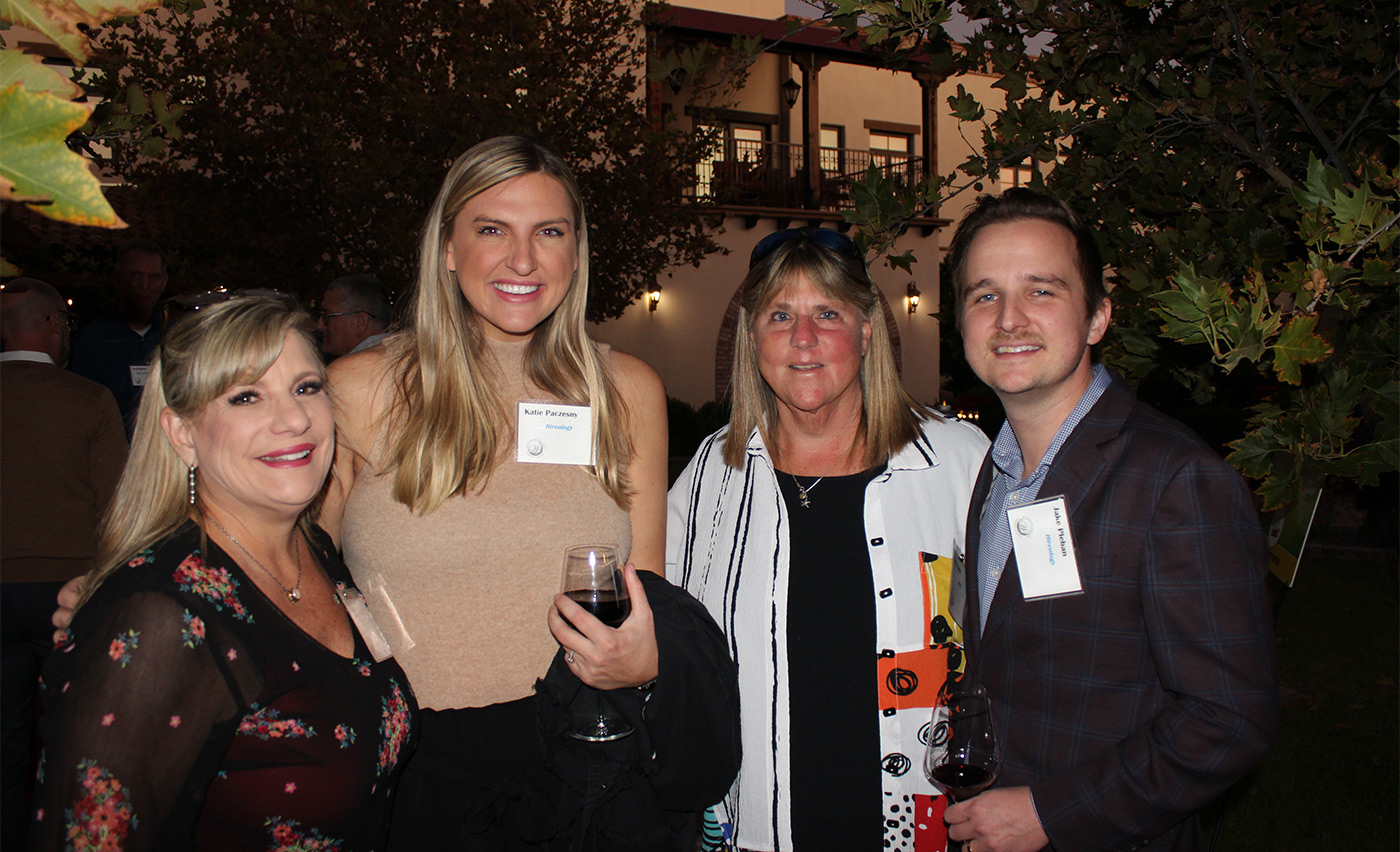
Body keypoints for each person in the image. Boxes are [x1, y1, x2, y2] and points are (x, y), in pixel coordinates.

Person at [323, 136, 695, 850]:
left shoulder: (625, 392)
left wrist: (647, 660)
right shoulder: (361, 391)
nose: (522, 260)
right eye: (492, 229)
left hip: (582, 770)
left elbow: (652, 595)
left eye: (548, 233)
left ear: (576, 254)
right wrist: (143, 591)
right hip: (413, 772)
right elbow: (279, 567)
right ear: (448, 248)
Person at [943, 189, 1277, 852]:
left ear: (1097, 316)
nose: (1009, 319)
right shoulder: (997, 470)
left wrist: (1050, 812)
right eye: (984, 295)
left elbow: (1229, 719)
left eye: (1041, 291)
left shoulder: (1176, 480)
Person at [31, 296, 418, 851]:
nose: (294, 419)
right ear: (183, 433)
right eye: (246, 396)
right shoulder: (161, 619)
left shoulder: (317, 553)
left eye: (307, 387)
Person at [666, 228, 990, 851]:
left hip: (918, 821)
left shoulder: (952, 459)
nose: (804, 338)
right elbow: (669, 633)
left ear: (867, 331)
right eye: (780, 314)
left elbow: (1023, 631)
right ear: (753, 335)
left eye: (828, 313)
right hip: (758, 819)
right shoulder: (713, 472)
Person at [0, 280, 126, 848]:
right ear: (53, 322)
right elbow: (117, 505)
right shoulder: (87, 399)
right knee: (72, 737)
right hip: (68, 593)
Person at [70, 240, 169, 436]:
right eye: (135, 276)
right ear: (117, 279)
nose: (144, 285)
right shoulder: (92, 342)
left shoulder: (174, 339)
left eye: (154, 277)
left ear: (164, 282)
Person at [316, 274, 393, 359]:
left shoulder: (352, 368)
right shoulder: (399, 356)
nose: (319, 325)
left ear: (360, 322)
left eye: (327, 316)